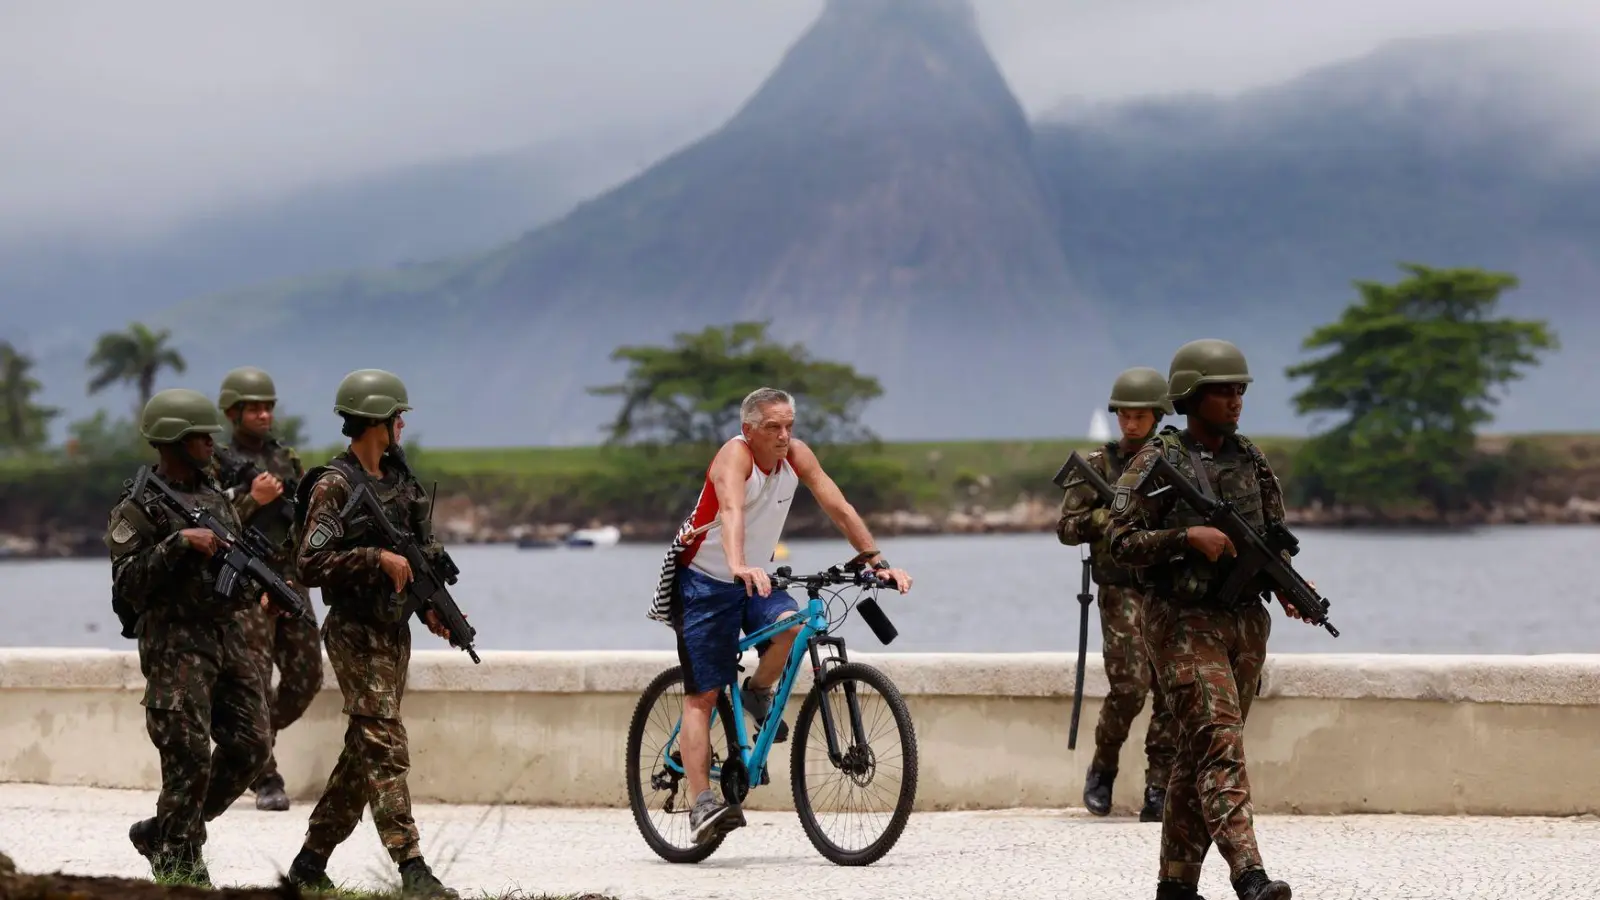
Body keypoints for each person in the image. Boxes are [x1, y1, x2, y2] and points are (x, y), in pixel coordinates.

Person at [672, 387, 913, 845]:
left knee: (795, 629)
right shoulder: (734, 456)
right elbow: (731, 511)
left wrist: (874, 561)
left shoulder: (797, 456)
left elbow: (838, 506)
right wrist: (739, 563)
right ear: (749, 430)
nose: (784, 436)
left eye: (789, 426)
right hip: (705, 580)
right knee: (702, 695)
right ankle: (702, 801)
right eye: (772, 427)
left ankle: (757, 691)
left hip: (757, 578)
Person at [1105, 339, 1301, 900]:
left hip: (1242, 623)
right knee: (1219, 743)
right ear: (1192, 394)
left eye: (1240, 389)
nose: (1236, 399)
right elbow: (1120, 541)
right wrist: (1186, 536)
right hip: (1181, 622)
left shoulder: (1252, 459)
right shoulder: (1157, 461)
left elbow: (1271, 538)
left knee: (1197, 754)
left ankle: (1176, 883)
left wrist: (1286, 586)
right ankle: (1250, 875)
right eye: (1223, 389)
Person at [283, 369, 459, 899]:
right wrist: (372, 557)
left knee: (364, 751)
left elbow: (415, 557)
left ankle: (310, 861)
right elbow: (308, 562)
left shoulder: (399, 481)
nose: (402, 424)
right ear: (377, 420)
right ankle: (413, 868)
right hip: (354, 633)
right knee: (385, 745)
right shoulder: (334, 486)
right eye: (397, 416)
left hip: (392, 631)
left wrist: (430, 608)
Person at [105, 388, 272, 887]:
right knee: (188, 756)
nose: (210, 444)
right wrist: (178, 543)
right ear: (175, 441)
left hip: (226, 637)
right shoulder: (137, 506)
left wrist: (258, 589)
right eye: (201, 436)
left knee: (251, 746)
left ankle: (166, 830)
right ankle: (181, 868)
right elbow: (126, 584)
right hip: (175, 647)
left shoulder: (215, 495)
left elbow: (233, 560)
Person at [1056, 366, 1179, 822]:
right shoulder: (1098, 466)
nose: (1130, 424)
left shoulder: (1174, 463)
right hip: (1120, 588)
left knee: (1170, 689)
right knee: (1129, 687)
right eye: (1124, 416)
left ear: (1156, 416)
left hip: (1166, 586)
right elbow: (1066, 528)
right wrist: (1104, 521)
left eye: (1139, 416)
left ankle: (1158, 787)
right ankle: (1102, 770)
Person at [212, 365, 322, 812]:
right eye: (253, 408)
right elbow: (211, 523)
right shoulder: (215, 461)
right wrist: (251, 499)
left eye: (267, 407)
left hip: (288, 578)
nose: (262, 414)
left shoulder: (285, 458)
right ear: (233, 412)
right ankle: (265, 776)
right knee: (254, 681)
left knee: (306, 677)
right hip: (247, 579)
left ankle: (252, 739)